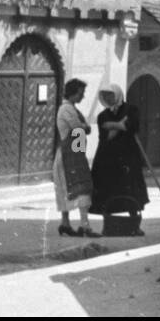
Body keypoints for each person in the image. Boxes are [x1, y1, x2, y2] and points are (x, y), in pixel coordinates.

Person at [90, 85, 149, 234]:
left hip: (128, 156)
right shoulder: (102, 115)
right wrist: (120, 125)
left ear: (117, 95)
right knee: (108, 190)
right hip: (107, 157)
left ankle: (134, 225)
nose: (109, 99)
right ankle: (109, 224)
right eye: (106, 96)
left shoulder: (131, 110)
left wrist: (113, 126)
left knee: (130, 189)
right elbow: (105, 136)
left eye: (111, 95)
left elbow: (133, 127)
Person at [54, 79, 100, 238]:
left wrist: (85, 128)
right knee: (75, 189)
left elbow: (83, 129)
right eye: (81, 93)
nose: (83, 96)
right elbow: (80, 128)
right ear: (73, 92)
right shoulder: (66, 109)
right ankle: (82, 225)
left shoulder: (72, 108)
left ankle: (67, 224)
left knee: (76, 187)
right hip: (68, 155)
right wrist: (85, 127)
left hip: (75, 153)